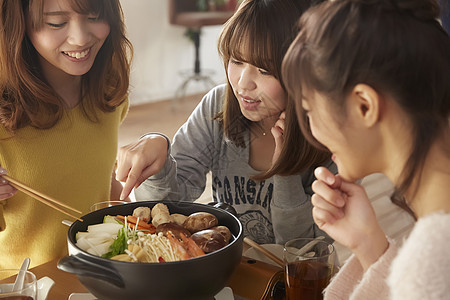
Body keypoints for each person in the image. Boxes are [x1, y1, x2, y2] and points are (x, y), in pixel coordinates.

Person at [116, 0, 335, 245]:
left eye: (264, 70)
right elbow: (170, 205)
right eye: (237, 61)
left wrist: (286, 175)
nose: (243, 84)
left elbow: (306, 252)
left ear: (302, 70)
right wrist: (158, 157)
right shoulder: (218, 105)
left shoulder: (332, 138)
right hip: (230, 268)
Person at [282, 0, 450, 298]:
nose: (314, 135)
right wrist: (368, 244)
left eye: (309, 111)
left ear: (364, 106)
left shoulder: (434, 254)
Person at [0, 0, 132, 270]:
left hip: (99, 271)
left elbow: (100, 181)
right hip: (27, 284)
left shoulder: (108, 89)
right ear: (20, 24)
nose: (81, 38)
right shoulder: (5, 113)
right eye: (56, 23)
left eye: (94, 16)